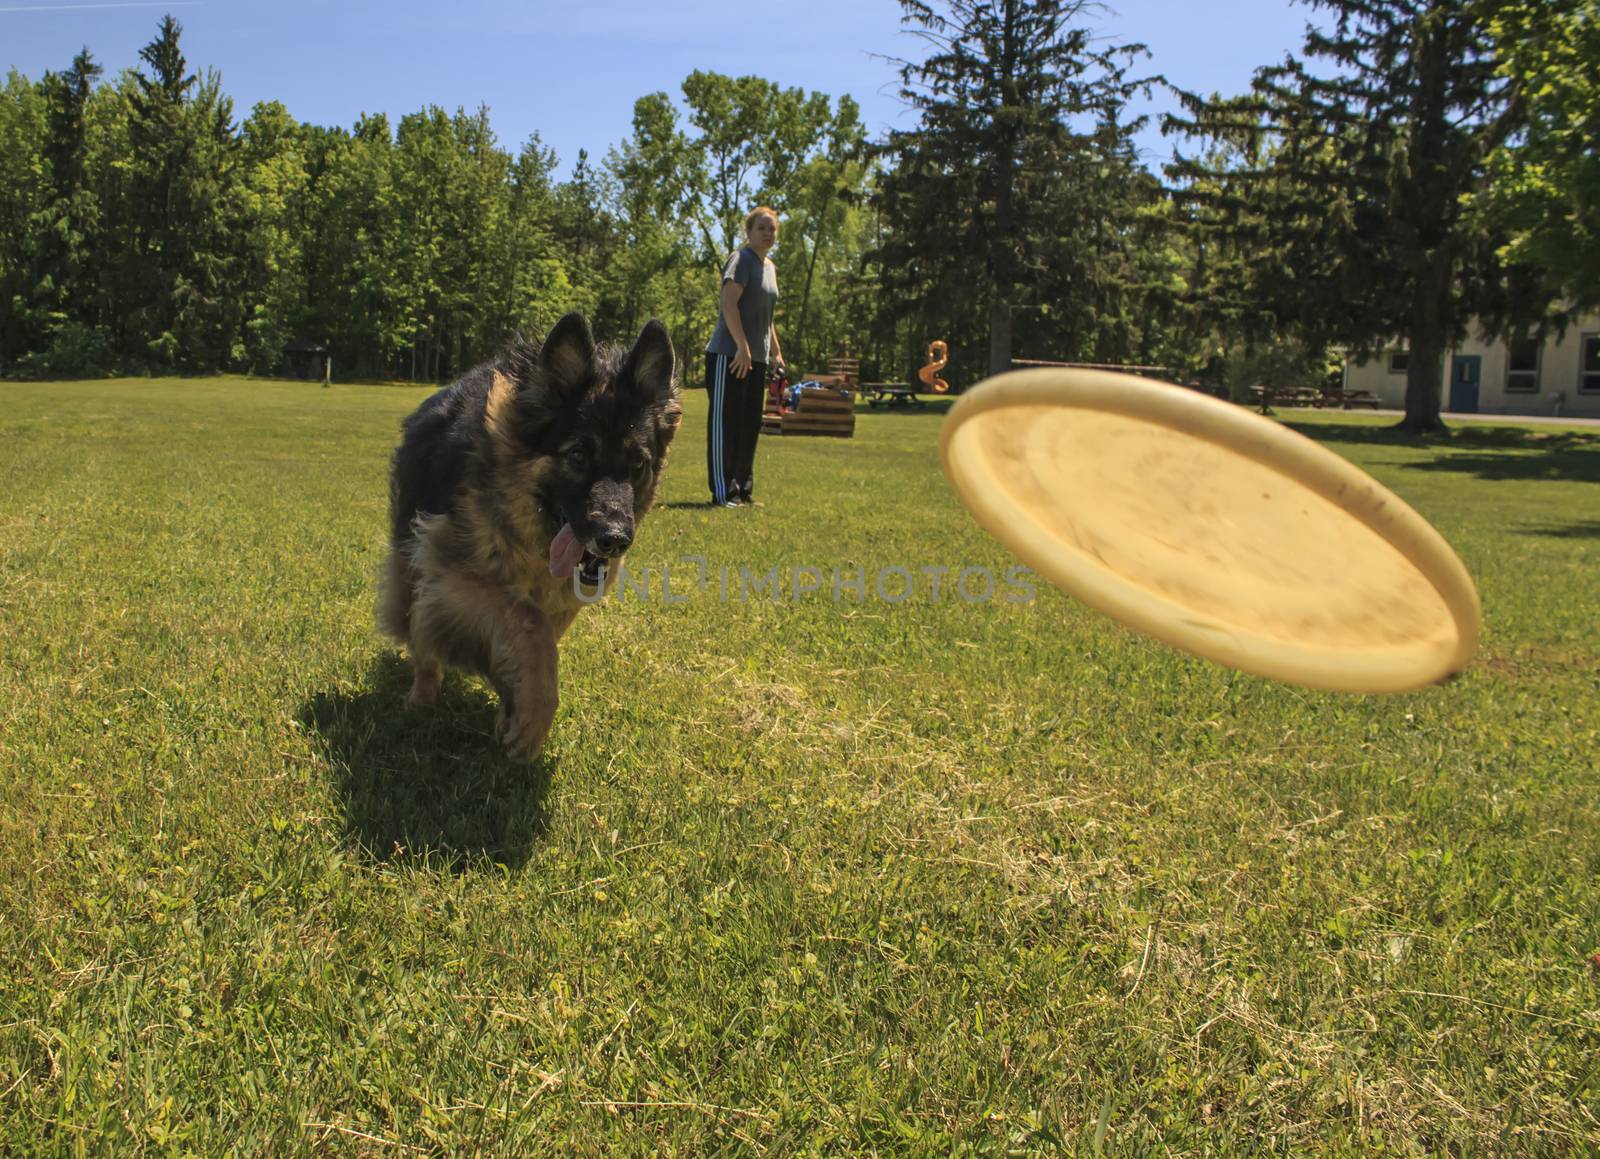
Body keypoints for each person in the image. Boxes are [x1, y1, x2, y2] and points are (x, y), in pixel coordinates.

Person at [705, 207, 784, 507]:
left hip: (756, 359)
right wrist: (742, 346)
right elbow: (729, 305)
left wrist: (775, 351)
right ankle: (724, 492)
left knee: (749, 424)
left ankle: (743, 491)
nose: (767, 233)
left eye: (772, 229)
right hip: (730, 355)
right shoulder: (741, 260)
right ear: (749, 232)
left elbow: (767, 316)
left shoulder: (770, 267)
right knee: (726, 423)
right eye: (762, 228)